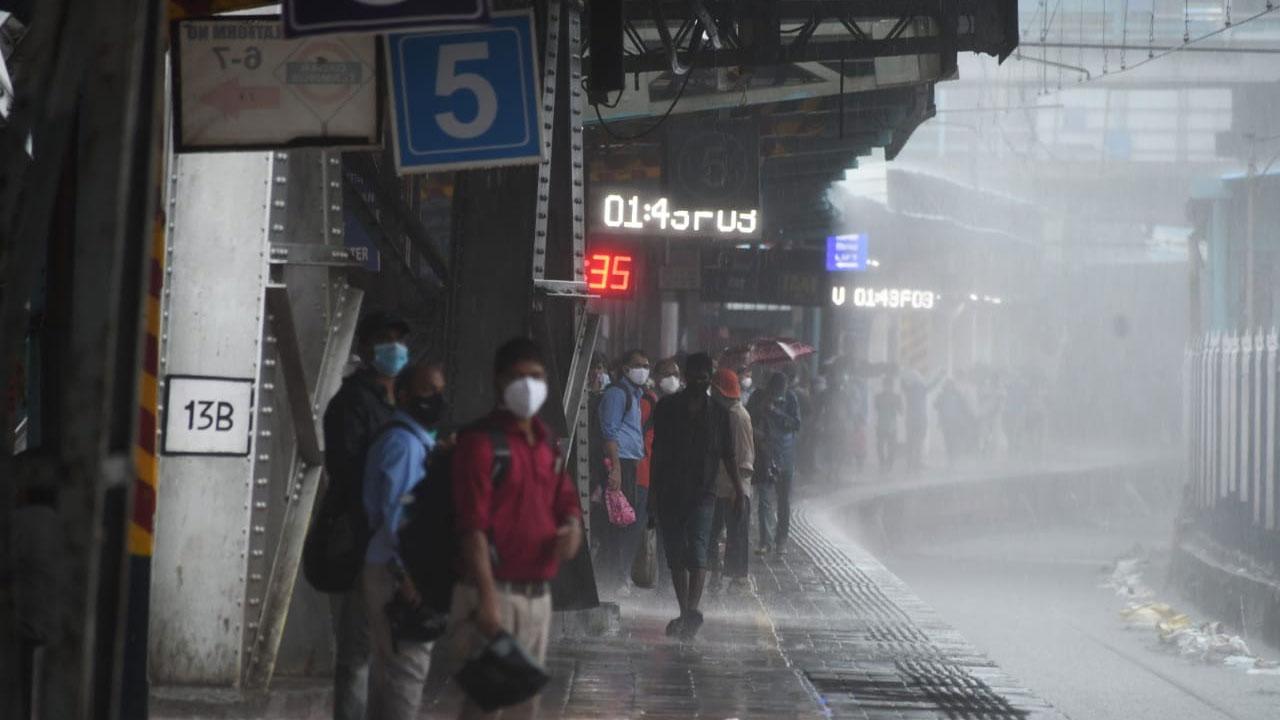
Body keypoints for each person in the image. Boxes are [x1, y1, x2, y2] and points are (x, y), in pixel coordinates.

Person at [443, 337, 583, 718]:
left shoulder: (547, 442)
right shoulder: (480, 444)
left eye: (535, 376)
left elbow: (567, 501)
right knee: (481, 707)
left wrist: (571, 529)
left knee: (525, 707)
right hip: (490, 596)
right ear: (498, 382)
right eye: (517, 376)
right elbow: (471, 528)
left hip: (538, 598)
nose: (527, 385)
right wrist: (487, 599)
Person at [319, 310, 410, 720]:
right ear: (365, 348)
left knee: (392, 652)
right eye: (385, 340)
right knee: (358, 650)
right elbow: (350, 472)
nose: (396, 349)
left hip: (398, 541)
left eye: (400, 340)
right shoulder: (351, 404)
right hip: (365, 539)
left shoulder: (398, 403)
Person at [361, 362, 448, 720]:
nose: (437, 400)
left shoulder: (413, 441)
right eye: (428, 390)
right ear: (404, 394)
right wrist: (408, 577)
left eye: (440, 391)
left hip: (392, 569)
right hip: (397, 575)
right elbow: (398, 519)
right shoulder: (404, 446)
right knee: (405, 675)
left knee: (389, 674)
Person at [649, 352, 741, 640]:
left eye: (706, 375)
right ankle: (685, 610)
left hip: (704, 492)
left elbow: (728, 455)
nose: (701, 380)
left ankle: (690, 611)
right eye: (697, 374)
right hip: (670, 491)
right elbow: (658, 453)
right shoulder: (666, 408)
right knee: (676, 553)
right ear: (687, 376)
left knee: (699, 550)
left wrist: (738, 489)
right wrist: (653, 494)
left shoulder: (719, 414)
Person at [597, 349, 650, 595]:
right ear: (626, 368)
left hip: (630, 464)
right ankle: (611, 579)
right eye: (638, 365)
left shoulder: (635, 395)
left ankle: (616, 576)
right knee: (617, 523)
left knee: (626, 521)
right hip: (619, 464)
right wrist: (616, 468)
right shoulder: (618, 394)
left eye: (646, 365)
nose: (644, 369)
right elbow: (609, 432)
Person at [708, 369, 754, 595]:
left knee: (737, 535)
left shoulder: (738, 416)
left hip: (734, 488)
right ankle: (715, 574)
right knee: (712, 533)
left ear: (720, 391)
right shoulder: (722, 414)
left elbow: (745, 456)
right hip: (719, 487)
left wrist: (739, 489)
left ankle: (739, 579)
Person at [749, 371, 801, 554]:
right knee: (764, 499)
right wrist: (762, 408)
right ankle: (765, 540)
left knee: (783, 501)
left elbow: (796, 423)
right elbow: (748, 419)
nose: (780, 393)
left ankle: (781, 540)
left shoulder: (791, 398)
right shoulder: (758, 396)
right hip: (764, 455)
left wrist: (776, 412)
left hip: (785, 456)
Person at [874, 377, 903, 473]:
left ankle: (889, 463)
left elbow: (901, 411)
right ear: (884, 385)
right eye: (886, 385)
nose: (887, 387)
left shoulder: (895, 397)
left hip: (891, 425)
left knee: (891, 446)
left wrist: (898, 406)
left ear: (891, 386)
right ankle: (883, 462)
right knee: (880, 445)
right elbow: (876, 409)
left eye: (889, 385)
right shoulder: (879, 397)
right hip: (882, 424)